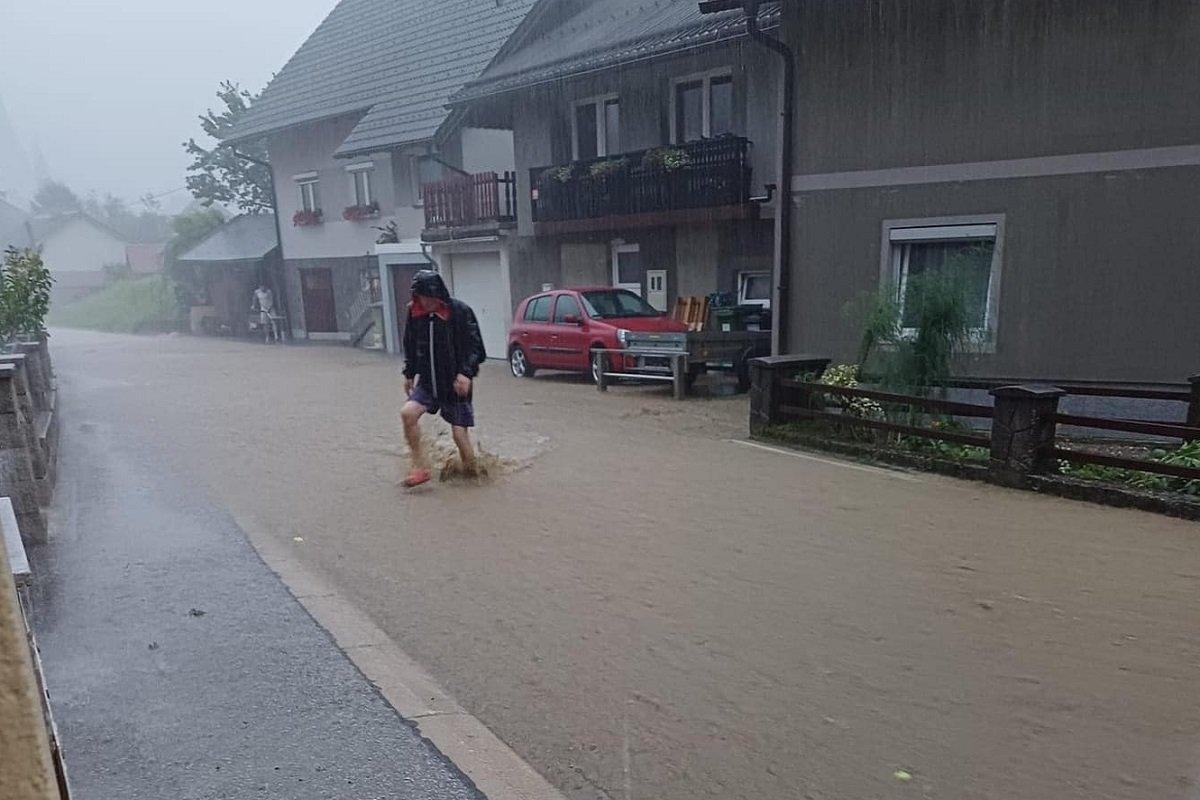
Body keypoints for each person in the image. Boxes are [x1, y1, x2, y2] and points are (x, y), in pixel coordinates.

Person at [400, 270, 487, 488]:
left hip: (455, 383)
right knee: (407, 414)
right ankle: (420, 467)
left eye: (430, 298)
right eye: (421, 297)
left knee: (459, 434)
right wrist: (409, 373)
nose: (426, 302)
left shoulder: (459, 312)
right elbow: (410, 345)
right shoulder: (414, 313)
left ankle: (473, 476)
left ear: (439, 295)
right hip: (428, 382)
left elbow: (476, 348)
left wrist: (466, 373)